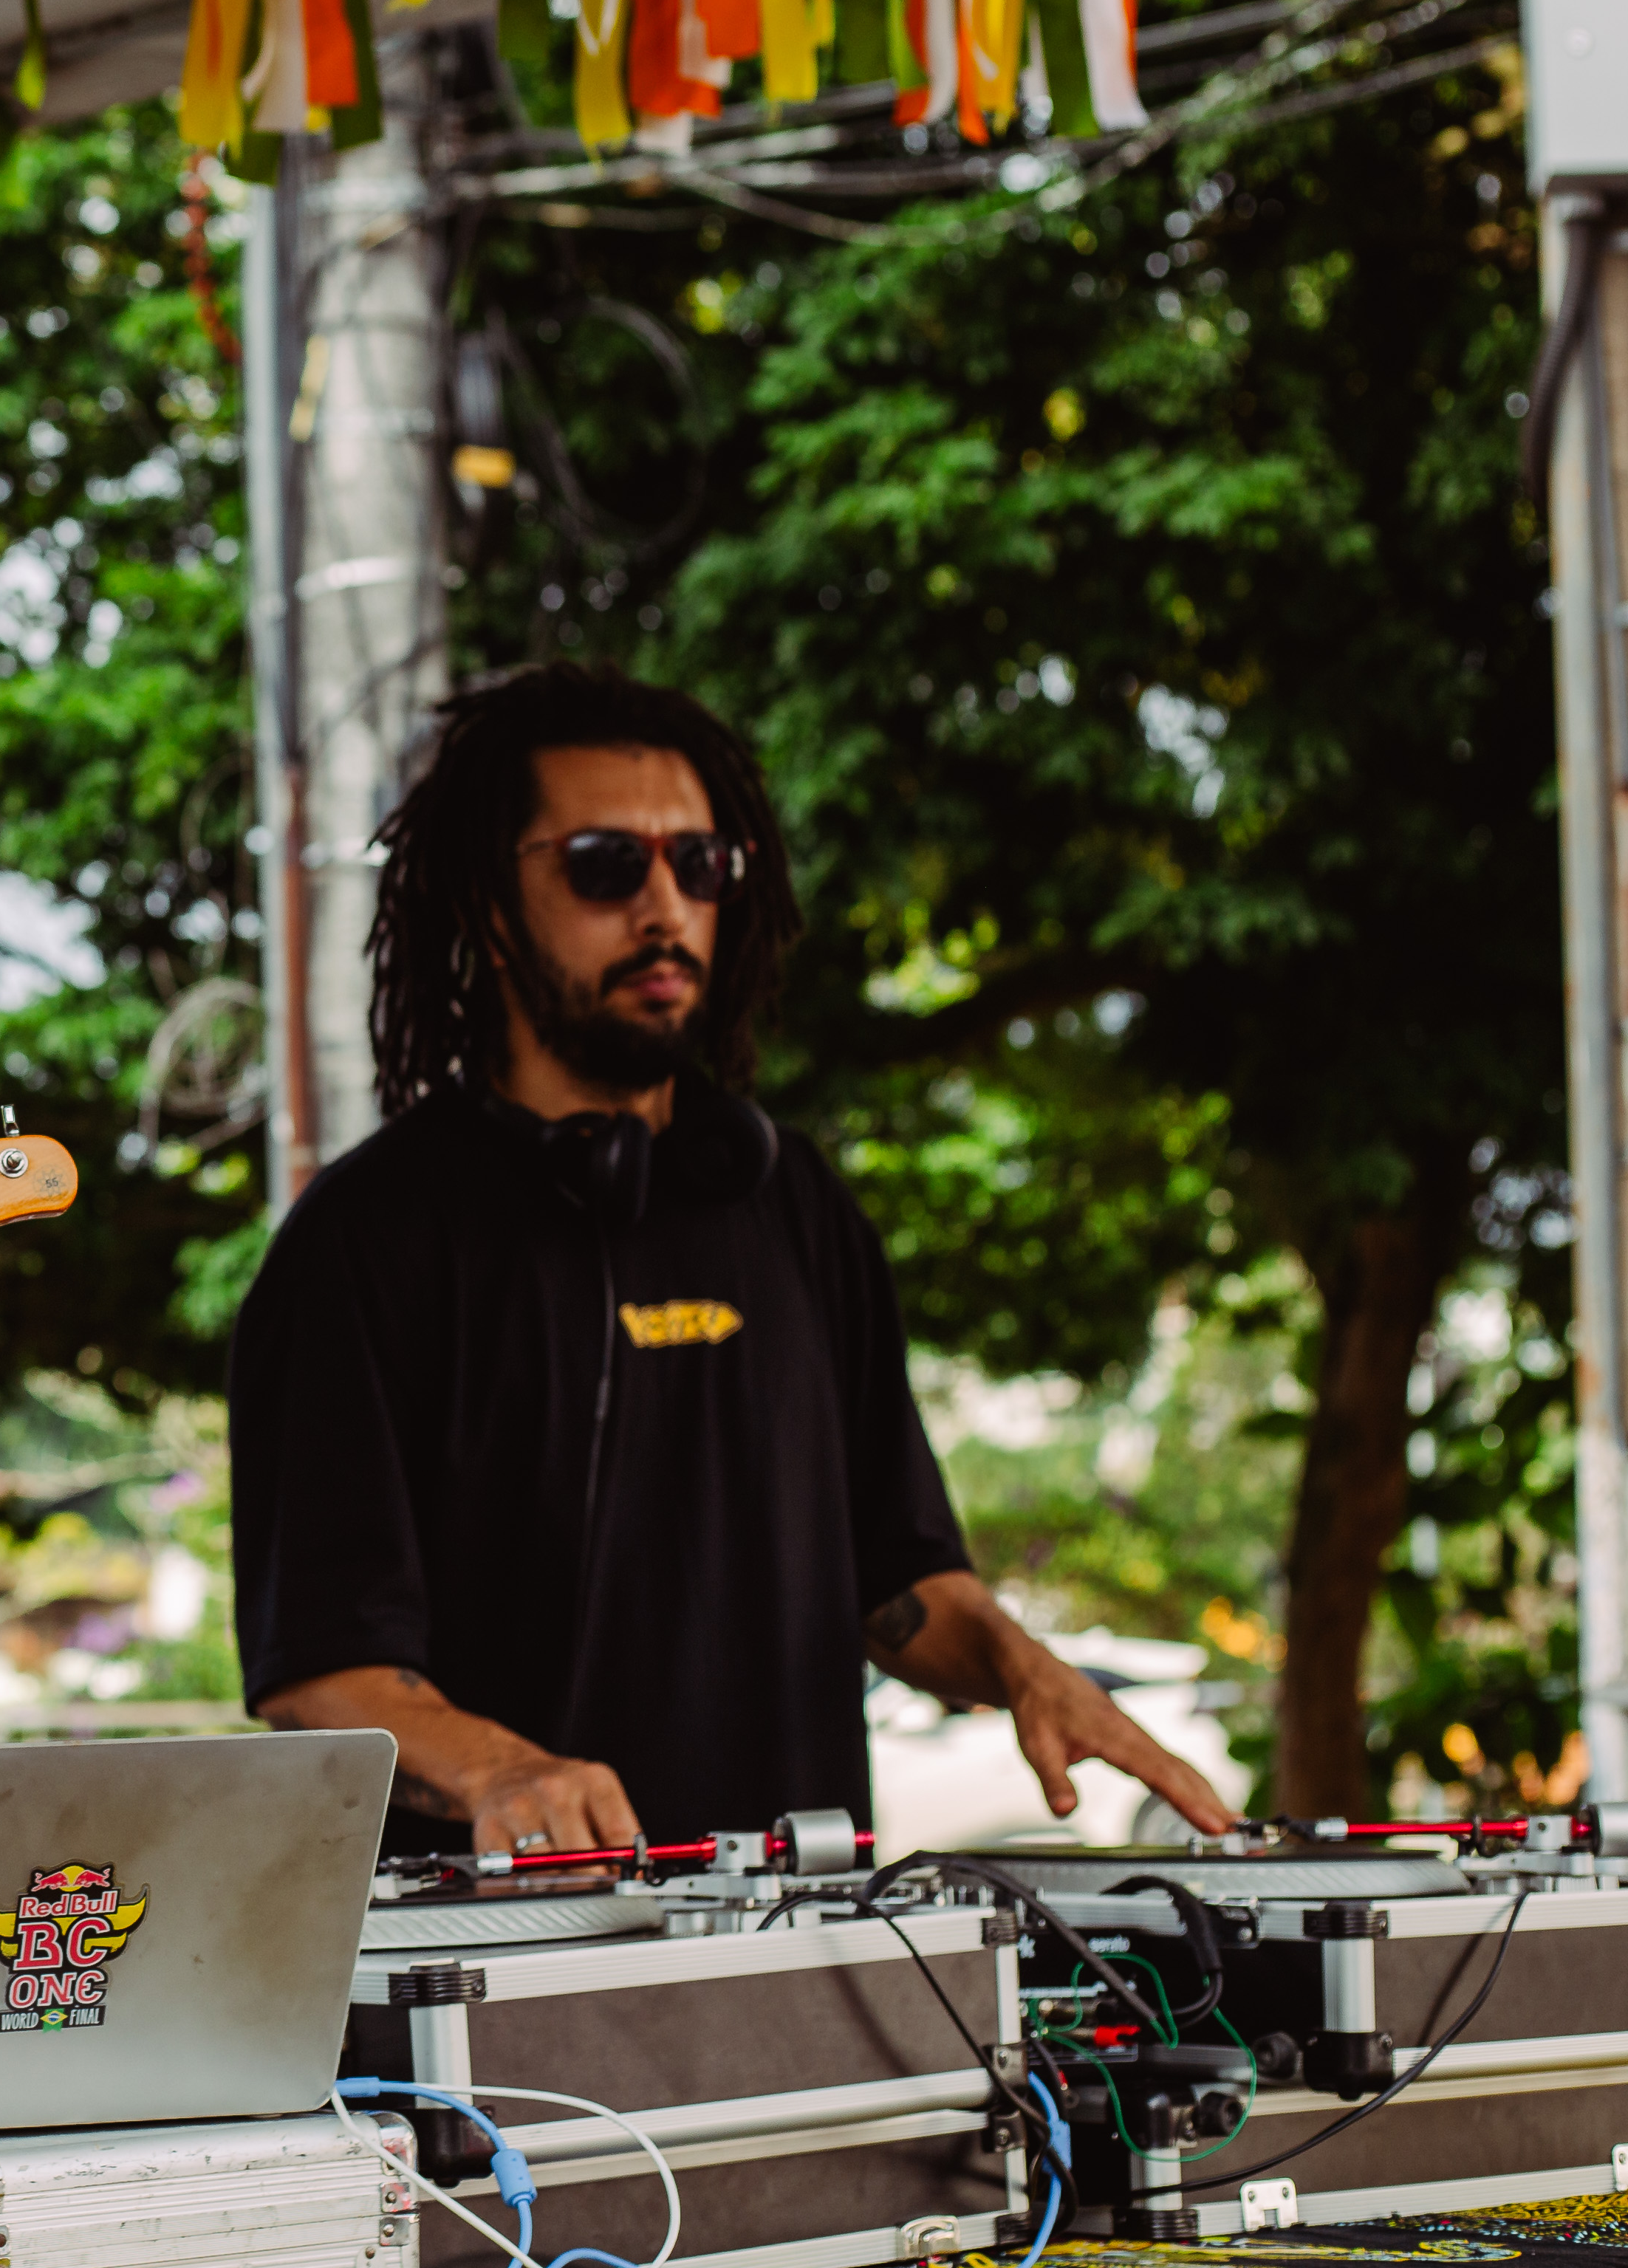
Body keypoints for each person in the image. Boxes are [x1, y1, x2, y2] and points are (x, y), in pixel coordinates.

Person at [229, 664, 1233, 1862]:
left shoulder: (792, 1202)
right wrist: (505, 1772)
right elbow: (322, 1674)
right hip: (499, 1943)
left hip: (802, 1928)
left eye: (699, 864)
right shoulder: (366, 1239)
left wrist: (1022, 1668)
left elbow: (903, 1584)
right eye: (606, 864)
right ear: (491, 908)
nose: (665, 907)